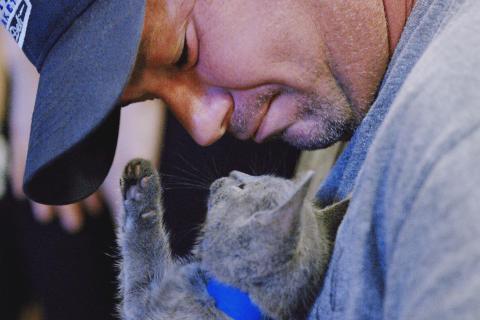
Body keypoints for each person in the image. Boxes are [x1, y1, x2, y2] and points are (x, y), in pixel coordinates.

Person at [2, 0, 480, 319]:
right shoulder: (360, 116)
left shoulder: (449, 146)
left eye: (184, 50)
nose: (205, 127)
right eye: (151, 98)